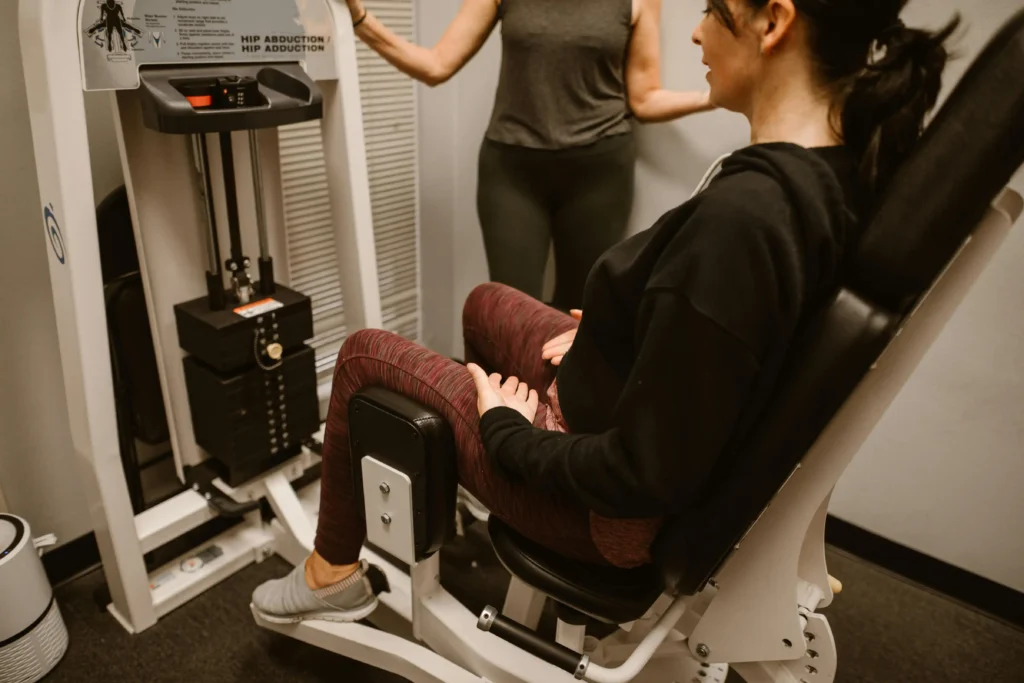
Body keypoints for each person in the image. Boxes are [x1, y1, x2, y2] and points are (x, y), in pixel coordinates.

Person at [252, 0, 958, 623]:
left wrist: (508, 434)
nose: (697, 33)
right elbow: (724, 355)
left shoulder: (745, 221)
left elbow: (643, 473)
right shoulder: (829, 174)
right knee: (487, 303)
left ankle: (331, 574)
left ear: (773, 22)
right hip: (610, 420)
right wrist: (628, 340)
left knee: (363, 356)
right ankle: (490, 487)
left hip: (605, 513)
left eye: (713, 10)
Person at [341, 0, 713, 311]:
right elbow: (436, 65)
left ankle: (562, 385)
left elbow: (644, 98)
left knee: (580, 312)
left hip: (599, 174)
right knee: (511, 312)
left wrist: (712, 97)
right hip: (512, 172)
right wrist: (360, 20)